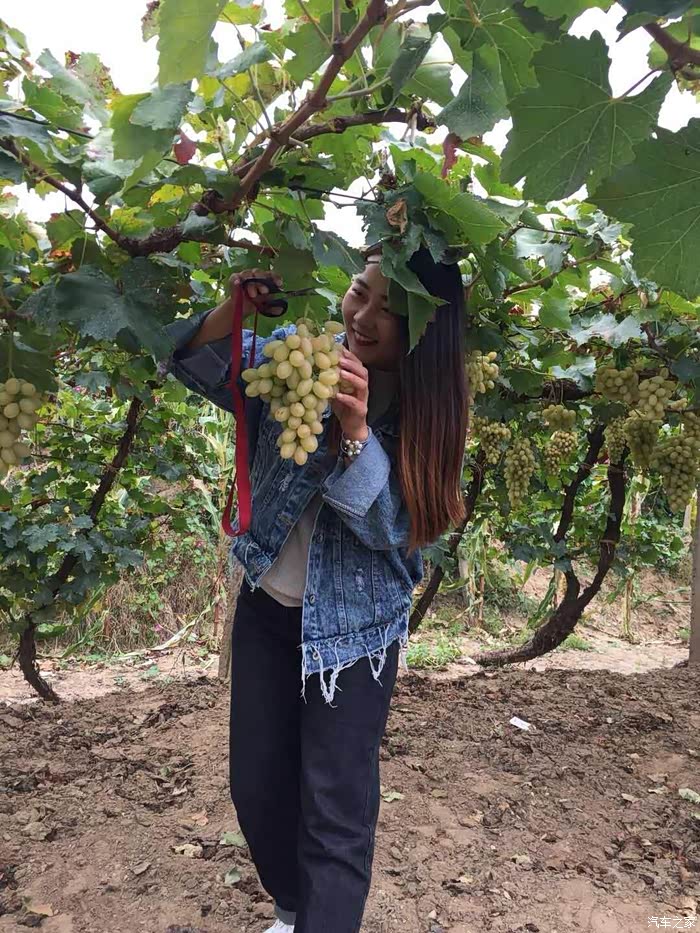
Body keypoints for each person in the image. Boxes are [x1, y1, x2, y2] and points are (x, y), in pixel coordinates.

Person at [165, 245, 468, 932]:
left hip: (354, 640)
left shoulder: (429, 411)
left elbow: (397, 529)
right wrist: (234, 309)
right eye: (360, 292)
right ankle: (293, 907)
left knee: (335, 811)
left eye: (388, 310)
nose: (362, 316)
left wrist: (356, 431)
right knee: (255, 786)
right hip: (268, 607)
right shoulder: (300, 358)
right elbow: (192, 361)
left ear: (426, 327)